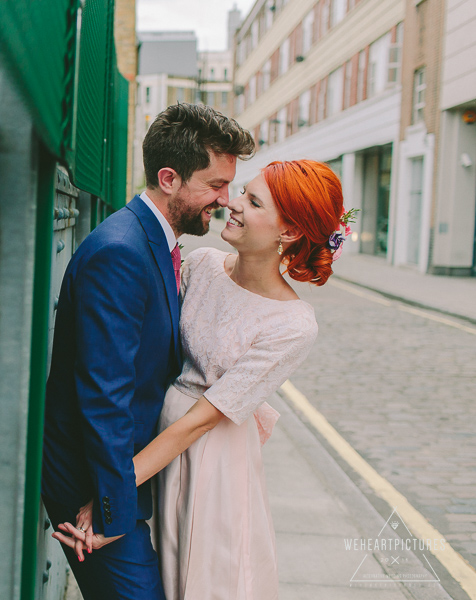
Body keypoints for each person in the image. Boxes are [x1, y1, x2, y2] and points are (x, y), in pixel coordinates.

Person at [55, 159, 351, 599]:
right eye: (240, 192)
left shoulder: (292, 324)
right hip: (149, 440)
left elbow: (201, 420)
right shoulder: (202, 264)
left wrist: (110, 495)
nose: (231, 204)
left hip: (208, 458)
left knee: (199, 577)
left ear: (287, 233)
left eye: (252, 201)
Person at [41, 103, 255, 600]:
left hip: (121, 475)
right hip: (91, 488)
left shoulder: (157, 242)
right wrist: (111, 508)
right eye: (215, 185)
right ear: (169, 177)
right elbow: (103, 393)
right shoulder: (121, 251)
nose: (225, 201)